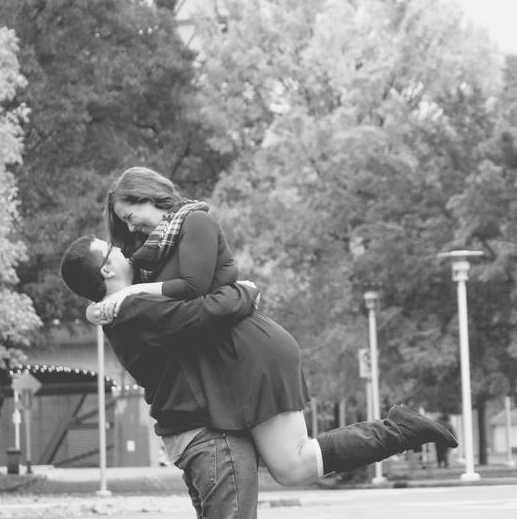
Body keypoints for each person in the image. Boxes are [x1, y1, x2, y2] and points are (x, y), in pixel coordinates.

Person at [96, 167, 458, 487]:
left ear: (150, 196)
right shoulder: (157, 250)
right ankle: (400, 429)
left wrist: (134, 291)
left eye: (131, 215)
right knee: (290, 470)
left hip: (254, 355)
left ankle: (399, 430)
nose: (131, 227)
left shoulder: (195, 222)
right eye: (124, 223)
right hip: (233, 361)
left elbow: (194, 289)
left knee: (294, 463)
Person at [61, 236, 261, 519]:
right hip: (206, 431)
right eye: (113, 250)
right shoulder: (132, 308)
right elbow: (204, 313)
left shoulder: (123, 306)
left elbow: (154, 260)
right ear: (107, 271)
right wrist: (246, 291)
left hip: (188, 431)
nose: (124, 252)